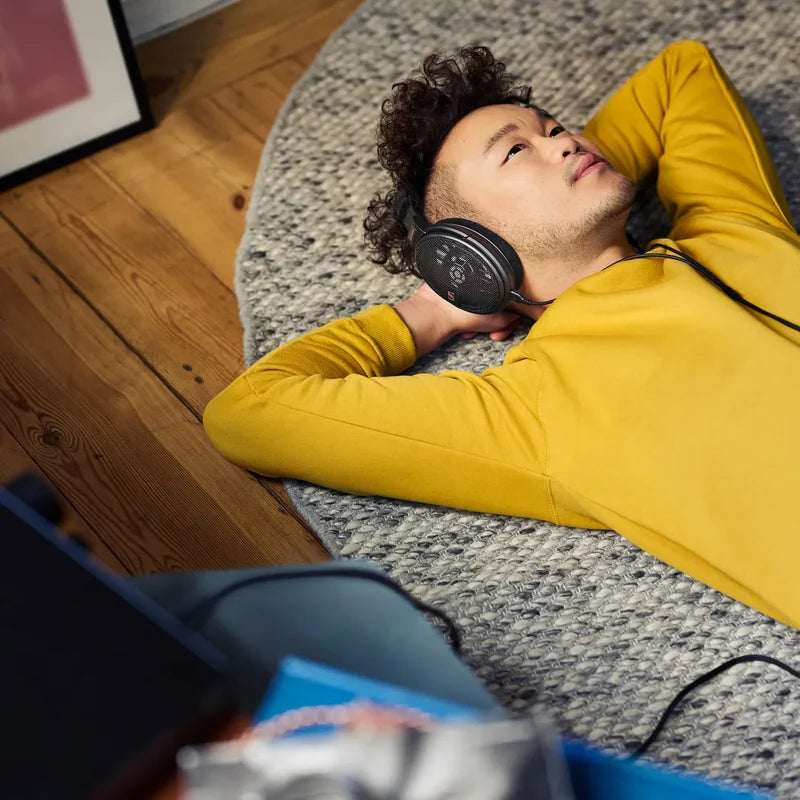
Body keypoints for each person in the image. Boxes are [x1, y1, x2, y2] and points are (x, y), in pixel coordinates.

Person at [203, 41, 800, 629]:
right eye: (515, 152)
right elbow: (251, 412)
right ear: (471, 245)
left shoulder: (730, 224)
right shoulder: (540, 409)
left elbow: (681, 71)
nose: (566, 141)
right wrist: (432, 309)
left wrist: (581, 175)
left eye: (556, 129)